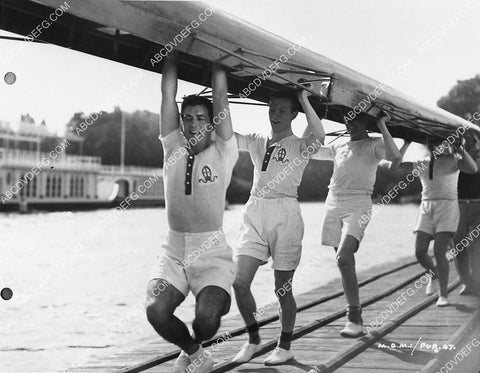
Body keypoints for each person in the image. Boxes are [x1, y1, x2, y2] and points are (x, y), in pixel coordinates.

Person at [145, 54, 238, 373]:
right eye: (188, 118)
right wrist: (170, 53)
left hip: (210, 250)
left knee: (207, 320)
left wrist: (217, 62)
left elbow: (221, 97)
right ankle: (194, 352)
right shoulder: (172, 145)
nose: (193, 123)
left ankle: (199, 339)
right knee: (156, 310)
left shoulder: (223, 151)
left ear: (212, 123)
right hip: (174, 248)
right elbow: (166, 96)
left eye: (201, 117)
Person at [232, 89, 325, 365]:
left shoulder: (300, 145)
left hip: (286, 212)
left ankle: (284, 347)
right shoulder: (256, 140)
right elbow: (225, 135)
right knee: (239, 282)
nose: (274, 114)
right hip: (256, 209)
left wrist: (305, 98)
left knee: (282, 287)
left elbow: (319, 136)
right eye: (271, 109)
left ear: (294, 114)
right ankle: (253, 339)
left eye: (282, 110)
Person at [310, 112, 401, 337]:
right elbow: (309, 150)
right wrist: (313, 118)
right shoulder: (338, 147)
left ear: (366, 123)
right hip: (333, 202)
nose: (350, 124)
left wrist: (382, 124)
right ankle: (356, 318)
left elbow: (395, 157)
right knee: (344, 262)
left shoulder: (374, 144)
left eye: (356, 120)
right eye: (348, 120)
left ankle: (354, 317)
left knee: (343, 257)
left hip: (359, 203)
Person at [397, 138, 477, 307]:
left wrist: (460, 149)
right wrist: (406, 142)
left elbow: (473, 168)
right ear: (429, 146)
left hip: (448, 205)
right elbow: (395, 165)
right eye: (434, 143)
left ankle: (443, 295)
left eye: (441, 142)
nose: (438, 146)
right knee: (420, 252)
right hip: (426, 206)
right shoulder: (422, 162)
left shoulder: (454, 160)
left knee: (440, 251)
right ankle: (434, 275)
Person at [453, 132, 480, 295]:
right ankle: (467, 283)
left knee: (476, 247)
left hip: (478, 206)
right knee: (459, 247)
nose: (477, 148)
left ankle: (476, 282)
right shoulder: (455, 162)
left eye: (477, 145)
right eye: (473, 145)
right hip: (459, 206)